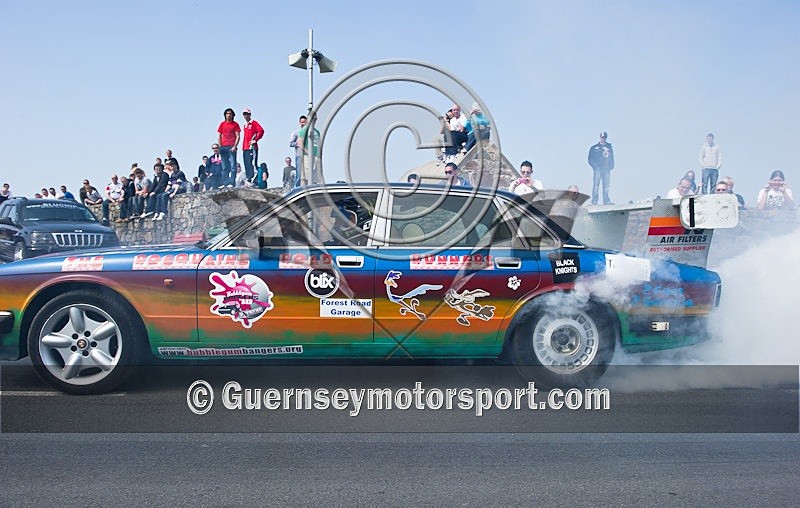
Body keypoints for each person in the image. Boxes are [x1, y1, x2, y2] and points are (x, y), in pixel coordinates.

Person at [587, 131, 615, 205]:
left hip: (607, 169)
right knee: (596, 185)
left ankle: (606, 201)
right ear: (600, 137)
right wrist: (595, 167)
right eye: (602, 137)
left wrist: (612, 165)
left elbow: (612, 157)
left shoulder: (609, 147)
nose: (603, 139)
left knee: (606, 186)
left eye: (605, 137)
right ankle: (594, 201)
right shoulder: (594, 148)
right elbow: (590, 159)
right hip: (598, 170)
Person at [217, 108, 240, 187]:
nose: (229, 115)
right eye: (227, 113)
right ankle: (225, 183)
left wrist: (235, 146)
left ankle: (232, 182)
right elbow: (219, 136)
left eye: (230, 113)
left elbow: (238, 136)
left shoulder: (235, 124)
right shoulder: (222, 124)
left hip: (231, 147)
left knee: (233, 166)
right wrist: (219, 146)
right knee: (224, 167)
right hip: (223, 147)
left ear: (232, 115)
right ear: (225, 115)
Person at [241, 108, 265, 182]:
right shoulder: (245, 125)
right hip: (245, 147)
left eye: (247, 114)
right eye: (244, 114)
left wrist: (255, 140)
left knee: (252, 164)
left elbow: (261, 131)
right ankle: (249, 178)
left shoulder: (253, 123)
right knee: (247, 164)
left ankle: (254, 179)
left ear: (250, 114)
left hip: (252, 147)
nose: (245, 115)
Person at [297, 114, 321, 186]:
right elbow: (300, 143)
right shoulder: (303, 130)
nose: (314, 120)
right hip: (307, 156)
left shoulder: (317, 132)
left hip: (316, 157)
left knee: (315, 178)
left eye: (315, 119)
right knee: (305, 177)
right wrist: (308, 152)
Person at [289, 115, 307, 181]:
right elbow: (290, 143)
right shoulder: (296, 133)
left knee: (307, 175)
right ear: (299, 122)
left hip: (308, 156)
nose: (303, 124)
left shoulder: (308, 133)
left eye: (304, 122)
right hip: (299, 155)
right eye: (302, 122)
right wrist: (298, 144)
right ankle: (298, 186)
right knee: (299, 175)